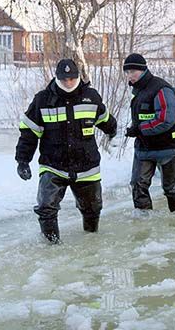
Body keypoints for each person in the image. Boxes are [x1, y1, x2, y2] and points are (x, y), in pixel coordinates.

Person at [15, 58, 117, 243]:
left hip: (87, 167)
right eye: (64, 79)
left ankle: (91, 243)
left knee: (92, 209)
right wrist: (23, 160)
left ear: (77, 77)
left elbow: (105, 119)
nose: (68, 83)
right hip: (53, 165)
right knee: (46, 208)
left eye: (71, 79)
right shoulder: (42, 100)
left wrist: (112, 129)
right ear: (57, 78)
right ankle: (52, 247)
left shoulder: (91, 97)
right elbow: (29, 133)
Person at [124, 53, 175, 212]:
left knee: (171, 188)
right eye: (127, 72)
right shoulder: (138, 90)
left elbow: (166, 119)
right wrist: (135, 129)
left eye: (133, 72)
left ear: (143, 70)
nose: (129, 76)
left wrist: (140, 129)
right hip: (145, 148)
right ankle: (144, 221)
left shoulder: (161, 88)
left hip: (169, 148)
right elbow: (145, 116)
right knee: (138, 185)